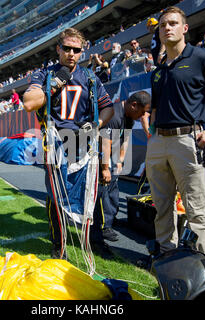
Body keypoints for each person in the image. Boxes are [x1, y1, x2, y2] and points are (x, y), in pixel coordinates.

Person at [23, 28, 114, 259]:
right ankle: (58, 244)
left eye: (76, 50)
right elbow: (29, 103)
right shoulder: (44, 74)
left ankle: (94, 241)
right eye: (67, 49)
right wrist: (55, 83)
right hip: (55, 142)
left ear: (82, 51)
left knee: (91, 194)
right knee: (56, 195)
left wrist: (96, 125)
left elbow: (108, 107)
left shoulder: (90, 78)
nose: (71, 54)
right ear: (58, 49)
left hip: (83, 141)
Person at [145, 6, 205, 260]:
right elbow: (156, 108)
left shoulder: (203, 58)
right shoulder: (158, 71)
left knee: (196, 210)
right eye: (162, 25)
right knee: (162, 207)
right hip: (159, 142)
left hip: (188, 140)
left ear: (185, 28)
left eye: (172, 23)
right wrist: (153, 134)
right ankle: (166, 259)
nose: (166, 28)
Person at [90, 91, 151, 258]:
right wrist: (105, 168)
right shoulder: (115, 114)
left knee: (113, 190)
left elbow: (124, 139)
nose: (144, 116)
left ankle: (111, 219)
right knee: (102, 191)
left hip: (111, 156)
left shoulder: (129, 117)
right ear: (133, 105)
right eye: (143, 111)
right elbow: (105, 143)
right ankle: (103, 226)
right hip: (99, 155)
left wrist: (119, 161)